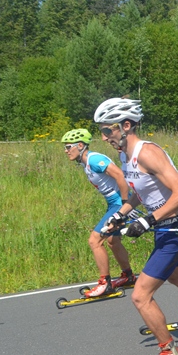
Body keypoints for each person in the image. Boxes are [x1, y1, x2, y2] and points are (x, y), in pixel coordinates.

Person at [95, 98, 178, 355]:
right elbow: (142, 191)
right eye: (102, 131)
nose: (104, 137)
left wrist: (147, 220)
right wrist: (122, 213)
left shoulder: (148, 153)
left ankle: (170, 353)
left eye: (108, 130)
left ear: (126, 126)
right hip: (165, 227)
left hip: (175, 228)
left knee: (140, 296)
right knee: (175, 275)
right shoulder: (125, 154)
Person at [61, 128, 136, 298]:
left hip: (118, 203)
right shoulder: (85, 162)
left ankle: (105, 283)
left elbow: (120, 176)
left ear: (80, 145)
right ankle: (128, 276)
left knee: (95, 240)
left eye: (68, 147)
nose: (66, 151)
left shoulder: (94, 160)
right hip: (114, 203)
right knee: (112, 240)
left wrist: (125, 206)